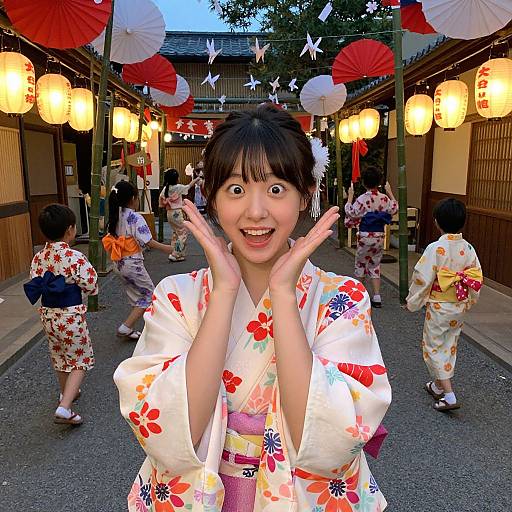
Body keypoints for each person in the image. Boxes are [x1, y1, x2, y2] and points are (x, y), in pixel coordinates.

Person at [114, 106, 391, 511]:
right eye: (236, 189)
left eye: (277, 188)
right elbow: (170, 430)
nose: (256, 211)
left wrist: (282, 293)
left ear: (306, 195)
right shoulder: (177, 297)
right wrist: (224, 291)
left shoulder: (340, 300)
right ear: (210, 197)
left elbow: (330, 440)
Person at [23, 204, 98, 425]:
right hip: (70, 314)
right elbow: (91, 284)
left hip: (48, 314)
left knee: (59, 355)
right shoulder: (74, 257)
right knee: (79, 360)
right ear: (70, 230)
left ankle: (67, 393)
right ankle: (65, 408)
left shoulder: (38, 257)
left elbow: (35, 280)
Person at [406, 198, 482, 412]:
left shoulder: (436, 248)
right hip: (458, 304)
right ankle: (438, 386)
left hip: (440, 307)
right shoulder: (468, 248)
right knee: (450, 343)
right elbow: (475, 277)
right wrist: (470, 299)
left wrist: (413, 302)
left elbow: (422, 278)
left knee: (434, 346)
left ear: (437, 222)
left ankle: (449, 395)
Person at [102, 180, 172, 340]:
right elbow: (147, 241)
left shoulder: (114, 216)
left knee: (137, 295)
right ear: (133, 198)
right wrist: (167, 248)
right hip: (132, 263)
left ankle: (132, 327)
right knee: (149, 295)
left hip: (119, 263)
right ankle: (126, 327)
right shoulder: (134, 217)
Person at [345, 167, 398, 308]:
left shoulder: (362, 199)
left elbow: (351, 212)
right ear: (379, 182)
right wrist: (390, 192)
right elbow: (394, 208)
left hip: (364, 236)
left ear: (363, 183)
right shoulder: (384, 198)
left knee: (361, 264)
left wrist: (350, 196)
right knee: (375, 265)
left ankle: (359, 295)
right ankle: (376, 296)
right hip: (379, 236)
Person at [159, 168, 202, 262]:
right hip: (177, 212)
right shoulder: (177, 187)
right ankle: (176, 254)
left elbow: (161, 200)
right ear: (176, 178)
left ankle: (175, 253)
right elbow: (188, 187)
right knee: (183, 232)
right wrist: (196, 179)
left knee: (176, 233)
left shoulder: (166, 188)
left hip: (169, 213)